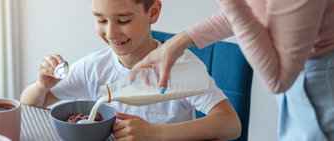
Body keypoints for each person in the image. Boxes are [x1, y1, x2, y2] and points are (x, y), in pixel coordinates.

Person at [20, 0, 241, 140]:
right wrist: (41, 86)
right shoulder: (94, 67)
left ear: (153, 12)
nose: (111, 33)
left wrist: (157, 134)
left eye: (123, 20)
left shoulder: (180, 68)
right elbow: (31, 104)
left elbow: (231, 124)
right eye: (101, 20)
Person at [133, 0, 334, 140]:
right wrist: (174, 45)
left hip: (319, 86)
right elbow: (249, 9)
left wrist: (156, 134)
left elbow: (278, 80)